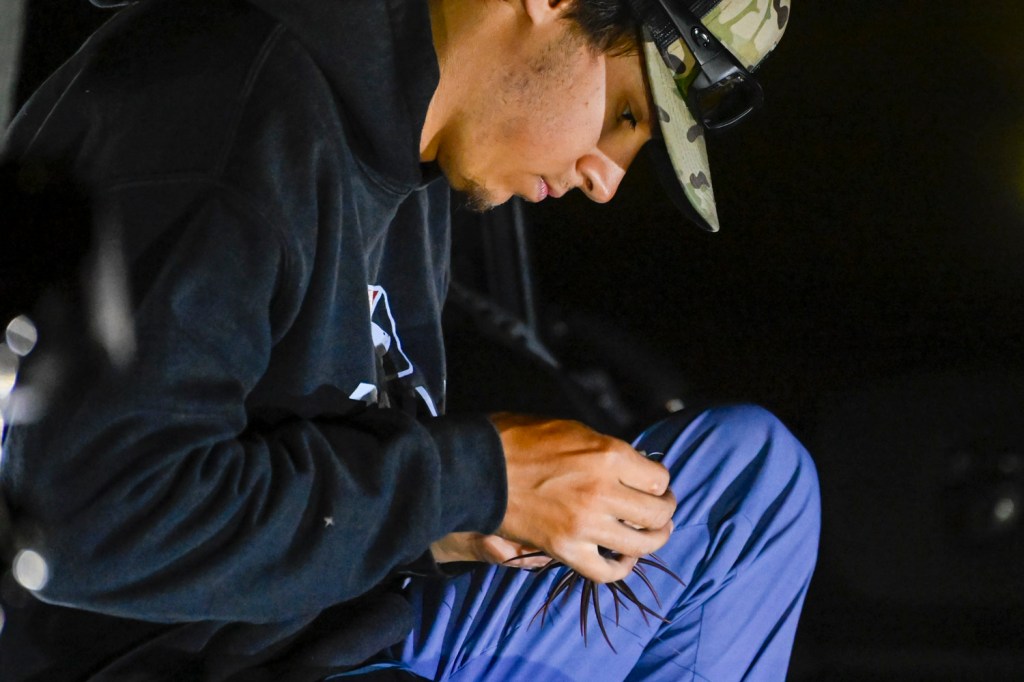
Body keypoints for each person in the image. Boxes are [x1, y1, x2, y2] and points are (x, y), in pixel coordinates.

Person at [0, 0, 818, 679]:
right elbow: (87, 521)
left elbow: (304, 460)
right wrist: (474, 478)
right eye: (626, 114)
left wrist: (447, 524)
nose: (606, 180)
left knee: (749, 481)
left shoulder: (416, 159)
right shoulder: (231, 106)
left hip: (355, 634)